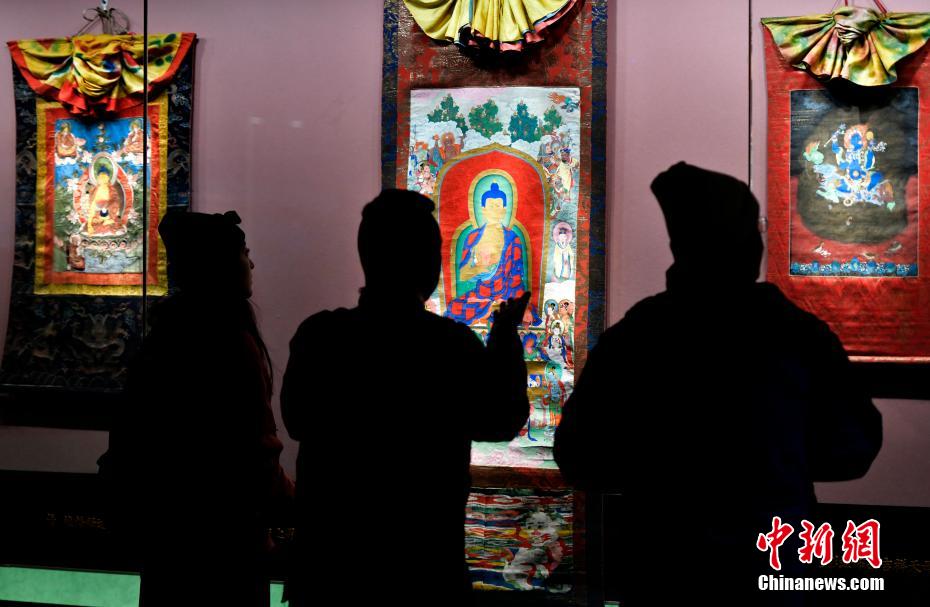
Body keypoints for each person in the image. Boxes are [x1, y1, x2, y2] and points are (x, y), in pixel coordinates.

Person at [554, 162, 882, 606]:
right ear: (749, 245)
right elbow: (854, 448)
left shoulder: (639, 336)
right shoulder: (798, 335)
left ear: (681, 248)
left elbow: (580, 456)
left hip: (665, 571)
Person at [281, 189, 530, 606]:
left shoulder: (320, 336)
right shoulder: (449, 345)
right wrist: (504, 337)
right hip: (423, 567)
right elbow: (501, 419)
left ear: (367, 257)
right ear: (428, 263)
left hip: (331, 567)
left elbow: (296, 419)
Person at [99, 211, 293, 607]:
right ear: (222, 265)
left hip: (169, 546)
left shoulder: (164, 339)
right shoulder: (231, 343)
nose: (251, 263)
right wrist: (292, 502)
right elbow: (253, 452)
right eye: (244, 253)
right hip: (226, 547)